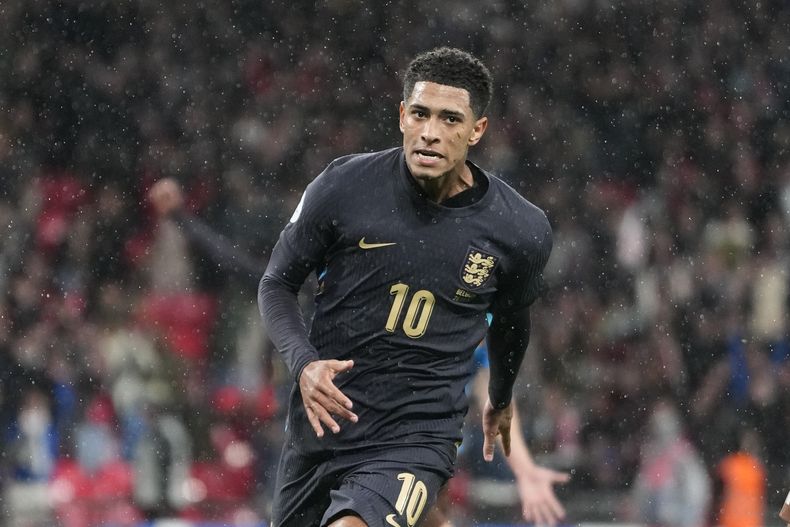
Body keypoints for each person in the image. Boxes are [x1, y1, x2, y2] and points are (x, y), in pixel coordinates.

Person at [150, 178, 567, 526]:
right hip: (326, 431)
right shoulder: (325, 291)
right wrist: (183, 221)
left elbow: (493, 393)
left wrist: (525, 467)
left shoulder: (449, 325)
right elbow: (250, 271)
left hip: (406, 435)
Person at [258, 46, 554, 527]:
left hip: (417, 437)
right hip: (322, 429)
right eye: (420, 113)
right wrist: (305, 364)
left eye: (451, 119)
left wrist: (500, 399)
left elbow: (512, 321)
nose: (431, 133)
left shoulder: (519, 230)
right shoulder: (344, 186)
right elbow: (276, 284)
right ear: (401, 116)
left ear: (477, 130)